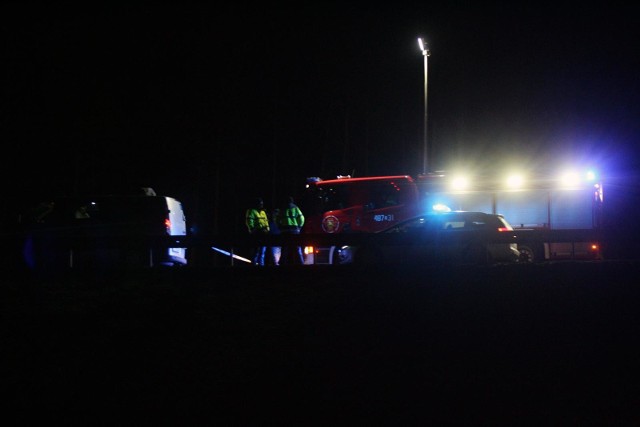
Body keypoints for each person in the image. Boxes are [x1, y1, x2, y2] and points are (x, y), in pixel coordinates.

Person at [279, 196, 305, 265]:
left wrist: (280, 227)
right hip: (294, 231)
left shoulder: (282, 208)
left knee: (284, 249)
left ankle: (282, 265)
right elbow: (302, 218)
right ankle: (300, 264)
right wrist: (299, 227)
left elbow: (277, 219)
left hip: (284, 231)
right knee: (297, 248)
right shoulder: (296, 208)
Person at [245, 197, 270, 266]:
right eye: (260, 203)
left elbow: (266, 222)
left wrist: (267, 230)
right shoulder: (251, 211)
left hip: (264, 234)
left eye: (262, 203)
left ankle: (261, 266)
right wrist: (253, 230)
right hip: (256, 234)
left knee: (262, 252)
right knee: (255, 252)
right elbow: (249, 222)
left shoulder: (263, 212)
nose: (261, 205)